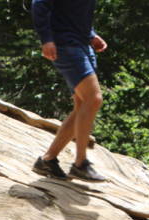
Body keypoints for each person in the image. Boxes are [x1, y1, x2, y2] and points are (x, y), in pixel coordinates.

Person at [31, 0, 107, 182]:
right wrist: (46, 38)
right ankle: (80, 164)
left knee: (82, 105)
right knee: (93, 99)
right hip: (65, 44)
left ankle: (47, 160)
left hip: (81, 44)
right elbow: (39, 4)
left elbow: (74, 11)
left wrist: (91, 35)